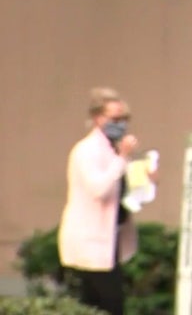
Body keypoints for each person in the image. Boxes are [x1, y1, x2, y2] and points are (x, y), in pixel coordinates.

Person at [58, 87, 142, 315]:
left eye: (125, 118)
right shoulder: (86, 150)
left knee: (98, 305)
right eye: (115, 118)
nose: (122, 124)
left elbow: (122, 191)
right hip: (90, 242)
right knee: (109, 304)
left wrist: (143, 178)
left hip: (110, 240)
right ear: (97, 118)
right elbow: (98, 189)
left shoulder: (111, 150)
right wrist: (122, 157)